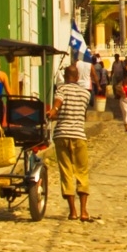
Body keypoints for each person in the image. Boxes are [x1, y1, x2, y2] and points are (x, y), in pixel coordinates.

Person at [51, 63, 96, 222]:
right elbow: (80, 114)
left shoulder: (61, 89)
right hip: (78, 135)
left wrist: (54, 111)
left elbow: (59, 101)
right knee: (82, 172)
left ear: (65, 76)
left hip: (61, 135)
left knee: (66, 172)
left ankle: (72, 212)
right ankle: (84, 211)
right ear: (77, 77)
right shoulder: (85, 94)